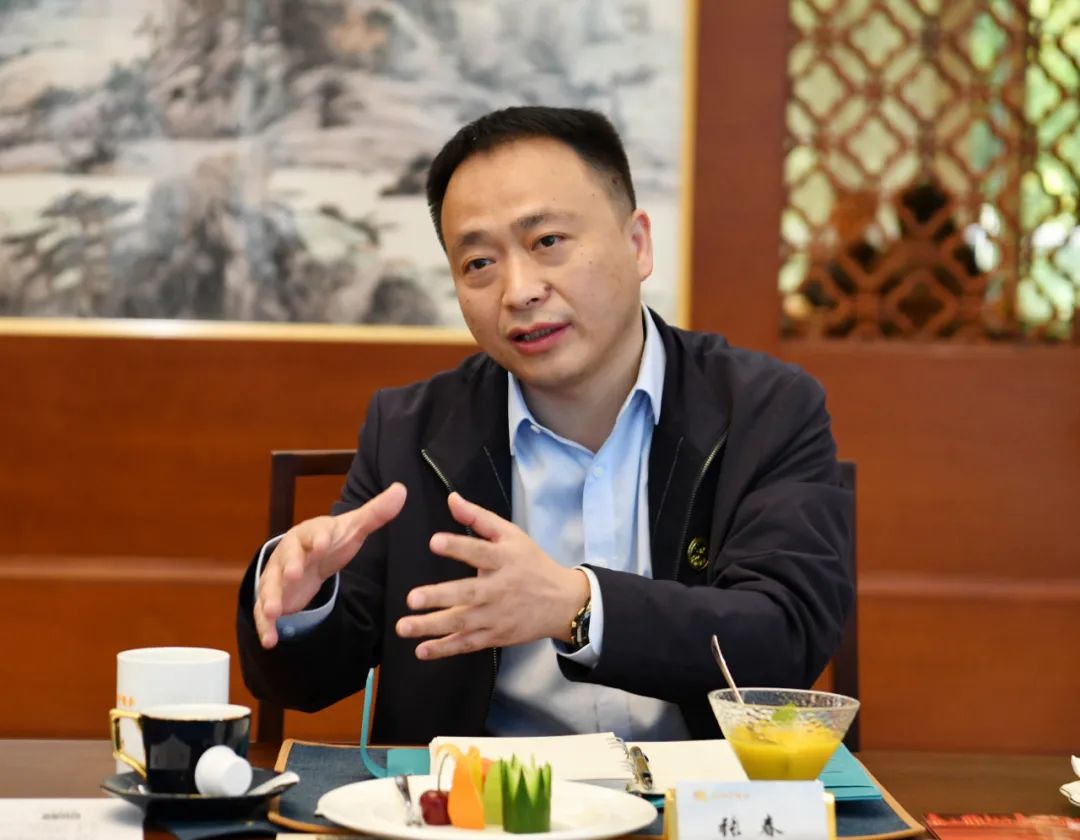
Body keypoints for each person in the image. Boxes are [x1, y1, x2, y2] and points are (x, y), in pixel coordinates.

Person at [236, 106, 853, 744]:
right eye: (479, 263)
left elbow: (785, 637)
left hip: (695, 793)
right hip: (481, 795)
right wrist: (303, 600)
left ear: (637, 244)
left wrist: (577, 607)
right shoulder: (411, 431)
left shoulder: (764, 409)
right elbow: (305, 682)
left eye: (548, 242)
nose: (519, 291)